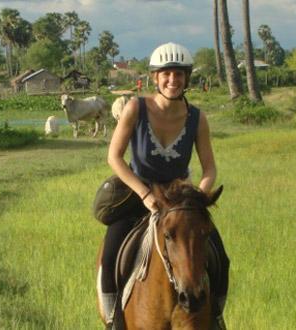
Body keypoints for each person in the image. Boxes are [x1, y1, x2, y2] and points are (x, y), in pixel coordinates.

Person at [93, 42, 229, 329]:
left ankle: (215, 316)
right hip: (138, 193)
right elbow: (114, 157)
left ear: (186, 79)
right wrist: (144, 194)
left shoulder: (197, 118)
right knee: (111, 253)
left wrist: (198, 197)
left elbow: (210, 168)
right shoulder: (135, 108)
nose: (172, 80)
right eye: (166, 74)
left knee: (220, 256)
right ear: (155, 77)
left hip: (180, 200)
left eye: (178, 74)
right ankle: (113, 320)